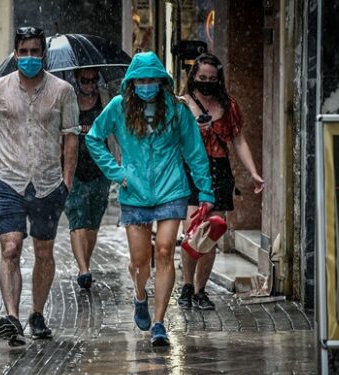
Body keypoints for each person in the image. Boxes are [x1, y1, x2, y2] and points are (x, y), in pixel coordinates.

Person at [86, 52, 214, 347]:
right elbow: (94, 138)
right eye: (140, 80)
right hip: (135, 192)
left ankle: (159, 323)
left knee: (166, 250)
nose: (146, 84)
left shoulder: (177, 110)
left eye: (151, 79)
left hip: (172, 189)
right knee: (140, 261)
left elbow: (195, 152)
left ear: (161, 81)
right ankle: (140, 295)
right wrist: (118, 173)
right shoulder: (119, 108)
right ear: (132, 83)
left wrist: (205, 191)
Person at [0, 26, 79, 346]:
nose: (30, 58)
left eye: (36, 52)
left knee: (44, 251)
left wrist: (67, 180)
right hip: (8, 181)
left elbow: (72, 136)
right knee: (10, 247)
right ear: (15, 53)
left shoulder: (63, 91)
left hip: (49, 184)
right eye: (24, 52)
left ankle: (36, 312)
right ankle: (12, 317)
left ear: (44, 54)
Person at [178, 53, 264, 310]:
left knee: (211, 233)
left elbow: (238, 140)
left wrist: (253, 172)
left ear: (219, 79)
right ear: (193, 76)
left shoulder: (229, 105)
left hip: (219, 170)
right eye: (202, 77)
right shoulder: (181, 105)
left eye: (212, 78)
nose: (206, 82)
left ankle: (200, 290)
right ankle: (185, 285)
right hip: (190, 171)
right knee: (192, 233)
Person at [64, 68, 112, 290]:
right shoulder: (68, 102)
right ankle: (83, 269)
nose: (89, 85)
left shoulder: (105, 101)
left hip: (100, 172)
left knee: (92, 224)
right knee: (78, 220)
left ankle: (86, 263)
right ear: (76, 80)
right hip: (73, 171)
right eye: (85, 80)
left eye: (94, 80)